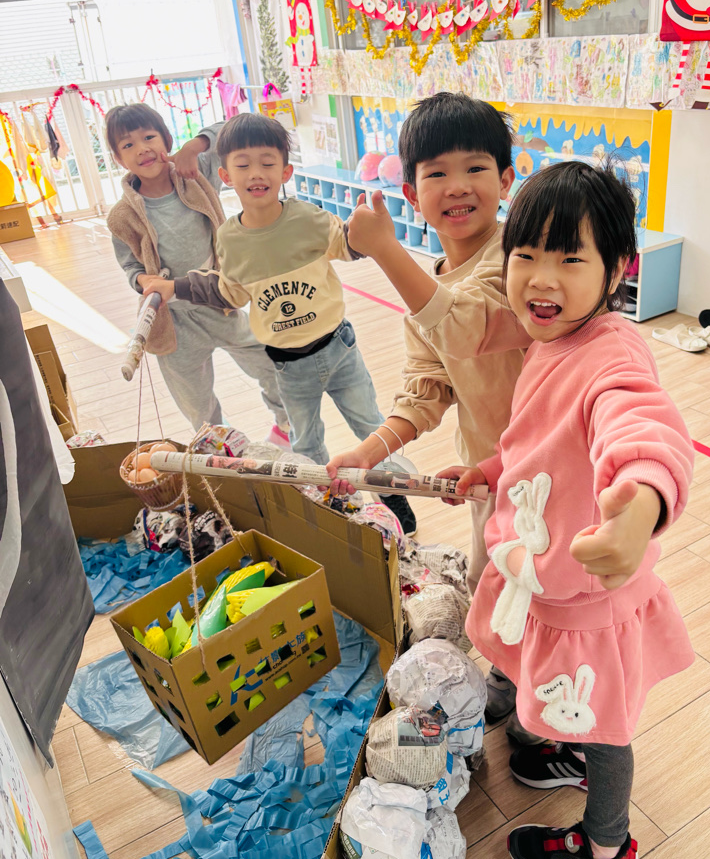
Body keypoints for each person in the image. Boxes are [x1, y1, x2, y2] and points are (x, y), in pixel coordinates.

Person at [446, 161, 695, 859]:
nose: (541, 279)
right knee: (537, 667)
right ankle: (550, 743)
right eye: (525, 255)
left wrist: (640, 504)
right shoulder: (553, 342)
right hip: (543, 574)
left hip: (587, 592)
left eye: (570, 259)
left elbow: (640, 423)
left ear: (617, 269)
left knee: (606, 727)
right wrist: (494, 469)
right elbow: (539, 442)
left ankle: (606, 845)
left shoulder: (612, 351)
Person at [325, 93, 533, 737]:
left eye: (475, 168)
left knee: (542, 592)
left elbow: (468, 325)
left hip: (552, 471)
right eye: (437, 172)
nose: (458, 186)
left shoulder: (520, 260)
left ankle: (548, 717)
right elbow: (426, 389)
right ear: (412, 195)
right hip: (487, 472)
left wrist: (385, 251)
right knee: (492, 581)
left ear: (506, 179)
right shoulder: (429, 287)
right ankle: (510, 675)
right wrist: (369, 452)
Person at [140, 111, 416, 533]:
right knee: (306, 444)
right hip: (288, 365)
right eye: (243, 164)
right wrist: (174, 287)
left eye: (268, 163)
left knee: (370, 424)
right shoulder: (229, 238)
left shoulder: (308, 218)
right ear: (226, 176)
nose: (257, 173)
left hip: (339, 348)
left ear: (285, 172)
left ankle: (391, 493)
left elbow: (348, 246)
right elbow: (229, 293)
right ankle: (325, 510)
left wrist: (371, 232)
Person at [106, 102, 289, 441]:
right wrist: (144, 280)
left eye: (149, 137)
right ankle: (222, 450)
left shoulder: (196, 173)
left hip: (217, 300)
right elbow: (130, 265)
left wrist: (194, 147)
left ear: (166, 139)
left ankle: (287, 428)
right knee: (197, 403)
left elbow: (232, 130)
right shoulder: (121, 215)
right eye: (128, 144)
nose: (142, 149)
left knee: (269, 362)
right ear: (118, 158)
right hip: (173, 322)